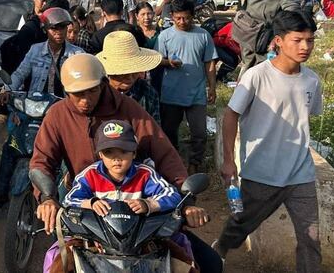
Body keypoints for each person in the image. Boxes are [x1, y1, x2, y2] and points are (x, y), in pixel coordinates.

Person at [29, 54, 222, 272]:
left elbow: (164, 153)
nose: (85, 99)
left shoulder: (129, 109)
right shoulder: (57, 115)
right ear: (66, 92)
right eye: (78, 94)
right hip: (86, 207)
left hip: (137, 208)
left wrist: (185, 201)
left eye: (92, 91)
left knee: (210, 264)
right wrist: (47, 198)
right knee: (58, 265)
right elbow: (42, 160)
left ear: (103, 84)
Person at [216, 11, 322, 272]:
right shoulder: (257, 76)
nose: (305, 47)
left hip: (301, 174)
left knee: (311, 239)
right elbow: (230, 116)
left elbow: (305, 117)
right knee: (241, 225)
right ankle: (220, 248)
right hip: (262, 173)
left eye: (310, 40)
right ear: (278, 41)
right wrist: (229, 161)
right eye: (298, 40)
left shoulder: (312, 80)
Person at [0, 8, 83, 204]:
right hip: (34, 108)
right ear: (46, 29)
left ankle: (70, 200)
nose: (59, 32)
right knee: (11, 147)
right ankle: (0, 196)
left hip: (63, 112)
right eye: (54, 28)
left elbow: (82, 86)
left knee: (69, 156)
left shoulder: (77, 54)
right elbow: (18, 75)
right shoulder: (35, 50)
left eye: (63, 27)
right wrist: (6, 90)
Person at [155, 0, 217, 174]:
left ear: (193, 16)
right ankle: (173, 162)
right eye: (178, 18)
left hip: (196, 93)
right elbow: (157, 60)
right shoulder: (165, 36)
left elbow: (209, 63)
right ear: (172, 17)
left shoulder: (203, 35)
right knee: (169, 131)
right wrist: (168, 62)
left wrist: (211, 87)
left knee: (199, 133)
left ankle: (195, 163)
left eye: (186, 18)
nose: (182, 22)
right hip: (171, 94)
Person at [96, 31, 162, 124]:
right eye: (123, 74)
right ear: (109, 73)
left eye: (134, 72)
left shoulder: (147, 93)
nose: (130, 78)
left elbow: (155, 130)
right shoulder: (96, 94)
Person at [0, 0, 53, 74]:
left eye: (47, 1)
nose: (44, 4)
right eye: (42, 0)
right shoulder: (26, 18)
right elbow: (19, 39)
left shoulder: (51, 18)